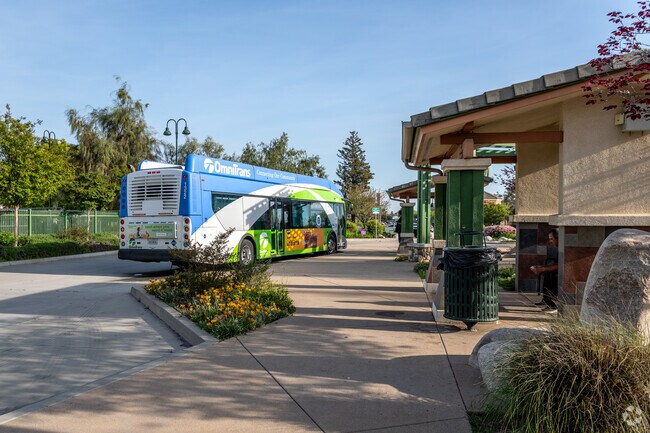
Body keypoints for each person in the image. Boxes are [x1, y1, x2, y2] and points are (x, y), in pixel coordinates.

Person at [530, 228, 559, 313]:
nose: (550, 241)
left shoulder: (564, 248)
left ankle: (553, 303)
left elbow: (560, 265)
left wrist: (542, 268)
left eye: (551, 239)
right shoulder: (559, 248)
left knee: (551, 274)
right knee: (547, 273)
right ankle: (547, 300)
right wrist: (542, 267)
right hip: (558, 271)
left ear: (558, 238)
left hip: (564, 275)